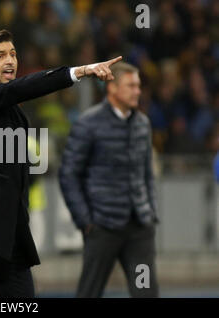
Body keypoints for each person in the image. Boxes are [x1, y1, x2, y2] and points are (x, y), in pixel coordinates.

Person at [0, 29, 122, 298]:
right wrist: (79, 71)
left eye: (13, 54)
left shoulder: (10, 108)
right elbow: (22, 87)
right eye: (0, 56)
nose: (10, 60)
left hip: (12, 237)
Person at [58, 62, 159, 298]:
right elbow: (69, 173)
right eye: (131, 86)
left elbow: (146, 174)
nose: (137, 91)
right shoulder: (88, 123)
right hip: (102, 226)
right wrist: (85, 220)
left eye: (138, 86)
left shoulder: (143, 124)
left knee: (147, 293)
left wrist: (150, 211)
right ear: (112, 88)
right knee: (89, 292)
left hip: (139, 227)